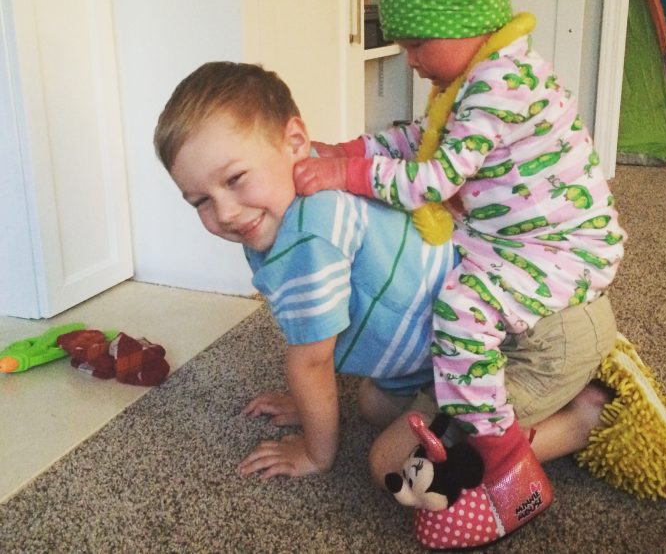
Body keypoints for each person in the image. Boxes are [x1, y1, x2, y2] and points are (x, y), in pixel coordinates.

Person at [293, 0, 628, 497]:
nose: (410, 61)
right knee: (374, 400)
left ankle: (511, 442)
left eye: (418, 44)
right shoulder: (474, 77)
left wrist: (347, 173)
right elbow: (418, 138)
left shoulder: (499, 84)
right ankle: (502, 399)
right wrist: (345, 149)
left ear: (463, 23)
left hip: (561, 253)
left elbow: (432, 179)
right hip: (510, 239)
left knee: (455, 321)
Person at [153, 61, 456, 480]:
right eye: (200, 201)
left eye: (235, 178)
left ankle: (566, 423)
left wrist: (316, 453)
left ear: (295, 141)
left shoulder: (307, 236)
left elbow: (311, 361)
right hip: (422, 352)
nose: (224, 212)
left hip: (468, 352)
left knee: (393, 464)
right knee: (371, 406)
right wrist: (309, 400)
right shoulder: (300, 183)